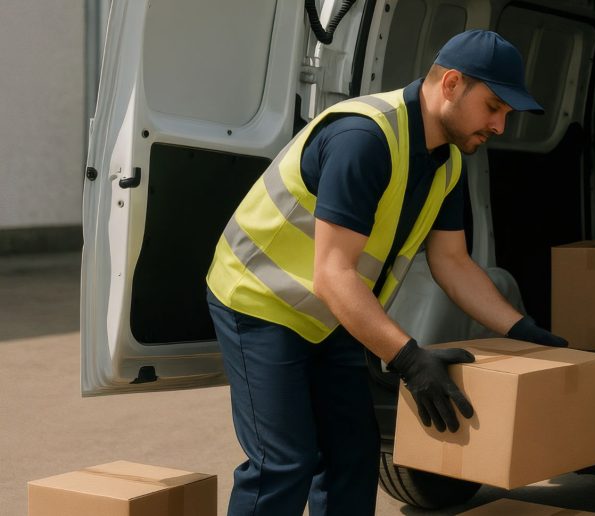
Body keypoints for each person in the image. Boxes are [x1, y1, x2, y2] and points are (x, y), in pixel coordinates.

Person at [204, 29, 568, 516]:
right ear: (452, 84)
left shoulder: (447, 164)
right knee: (283, 463)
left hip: (332, 312)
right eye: (494, 107)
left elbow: (452, 263)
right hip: (260, 301)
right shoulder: (364, 139)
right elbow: (335, 274)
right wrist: (411, 361)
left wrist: (522, 330)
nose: (500, 126)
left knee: (352, 455)